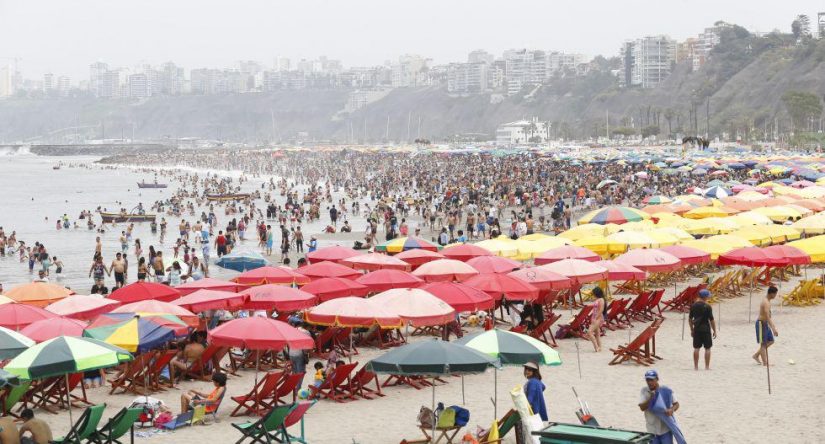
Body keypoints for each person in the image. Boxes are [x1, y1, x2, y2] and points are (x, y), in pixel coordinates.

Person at [638, 370, 685, 444]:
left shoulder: (666, 390)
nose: (649, 382)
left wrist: (671, 410)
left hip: (665, 428)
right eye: (647, 380)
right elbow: (642, 408)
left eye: (651, 380)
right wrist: (651, 398)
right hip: (652, 429)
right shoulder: (644, 390)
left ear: (657, 379)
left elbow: (676, 404)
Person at [689, 288, 717, 370]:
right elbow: (711, 320)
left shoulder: (693, 306)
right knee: (707, 348)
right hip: (706, 329)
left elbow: (690, 319)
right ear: (705, 297)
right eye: (707, 296)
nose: (708, 298)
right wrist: (714, 330)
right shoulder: (708, 306)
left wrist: (691, 329)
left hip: (697, 329)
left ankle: (696, 367)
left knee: (696, 348)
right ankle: (707, 367)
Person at [753, 286, 779, 366]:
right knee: (763, 344)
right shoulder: (766, 302)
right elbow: (767, 316)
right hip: (761, 324)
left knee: (771, 341)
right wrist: (774, 328)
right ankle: (765, 363)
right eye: (775, 294)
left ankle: (756, 355)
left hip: (765, 324)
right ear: (771, 293)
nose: (775, 296)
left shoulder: (767, 300)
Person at [585, 286, 606, 352]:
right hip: (595, 317)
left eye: (594, 293)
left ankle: (596, 347)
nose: (593, 294)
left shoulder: (601, 299)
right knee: (597, 334)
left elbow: (601, 309)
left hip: (598, 317)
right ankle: (599, 347)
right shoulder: (598, 299)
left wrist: (596, 318)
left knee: (589, 332)